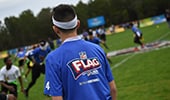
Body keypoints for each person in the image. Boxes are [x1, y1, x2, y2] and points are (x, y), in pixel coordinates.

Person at [44, 4, 117, 100]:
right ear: (78, 24)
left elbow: (57, 98)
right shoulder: (97, 49)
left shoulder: (53, 58)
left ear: (55, 29)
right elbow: (113, 89)